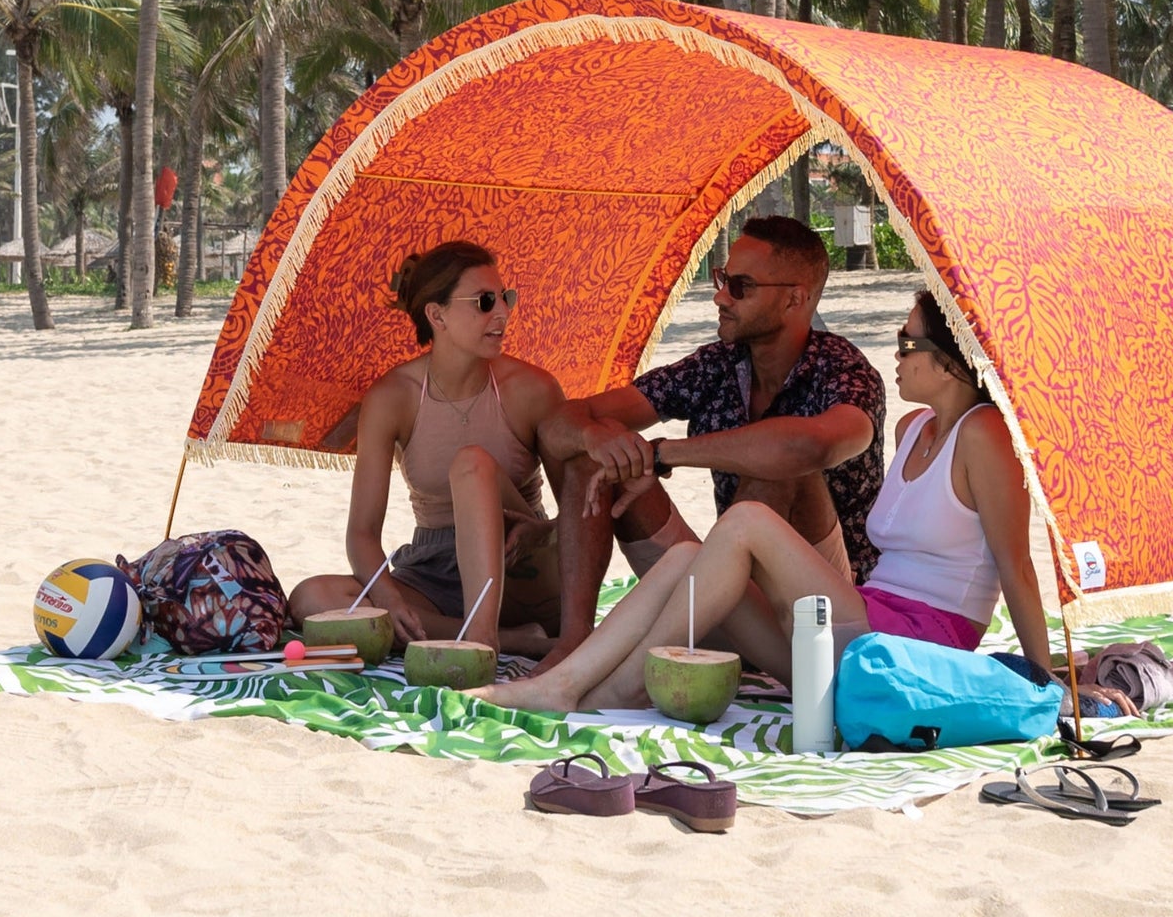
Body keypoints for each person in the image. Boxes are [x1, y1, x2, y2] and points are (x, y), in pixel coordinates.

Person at [483, 288, 1055, 713]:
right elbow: (571, 422)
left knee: (746, 522)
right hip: (856, 628)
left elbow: (1016, 567)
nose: (897, 353)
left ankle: (598, 695)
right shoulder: (914, 428)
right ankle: (574, 684)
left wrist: (1044, 676)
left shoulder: (984, 435)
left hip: (914, 646)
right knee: (686, 558)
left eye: (908, 343)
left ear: (953, 362)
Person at [536, 215, 884, 665]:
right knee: (592, 462)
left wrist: (663, 454)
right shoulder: (717, 364)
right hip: (731, 590)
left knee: (776, 476)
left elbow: (807, 448)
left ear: (794, 299)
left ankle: (677, 653)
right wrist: (594, 436)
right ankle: (573, 641)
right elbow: (557, 423)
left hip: (820, 614)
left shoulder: (845, 371)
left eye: (740, 286)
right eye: (722, 278)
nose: (719, 296)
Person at [287, 240, 569, 655]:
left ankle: (484, 638)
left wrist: (541, 533)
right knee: (312, 599)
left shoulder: (532, 389)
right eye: (485, 301)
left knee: (472, 464)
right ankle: (507, 640)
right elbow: (362, 534)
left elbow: (579, 514)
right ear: (436, 315)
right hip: (435, 570)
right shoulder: (393, 396)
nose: (503, 313)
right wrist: (391, 599)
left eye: (505, 298)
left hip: (521, 565)